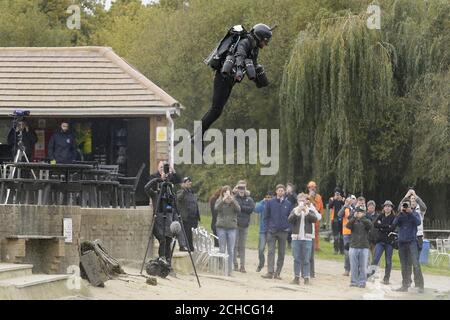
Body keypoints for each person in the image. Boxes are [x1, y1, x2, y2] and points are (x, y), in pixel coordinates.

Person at [199, 24, 274, 138]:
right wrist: (239, 69)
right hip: (222, 77)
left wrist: (259, 79)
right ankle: (197, 135)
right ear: (259, 37)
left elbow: (252, 64)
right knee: (215, 110)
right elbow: (240, 55)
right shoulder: (245, 42)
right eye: (265, 41)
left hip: (229, 81)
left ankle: (197, 135)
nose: (266, 44)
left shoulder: (254, 48)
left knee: (217, 111)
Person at [147, 161, 183, 261]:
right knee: (162, 239)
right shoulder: (154, 177)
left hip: (168, 211)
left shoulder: (170, 177)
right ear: (158, 168)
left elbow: (179, 180)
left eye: (165, 167)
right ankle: (162, 259)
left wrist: (172, 171)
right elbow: (148, 188)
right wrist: (159, 179)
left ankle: (168, 262)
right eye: (161, 167)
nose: (163, 169)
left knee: (169, 239)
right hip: (159, 211)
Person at [288, 193, 321, 285]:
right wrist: (298, 211)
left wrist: (306, 211)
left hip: (307, 238)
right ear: (297, 201)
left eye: (304, 200)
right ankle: (296, 278)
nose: (302, 202)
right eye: (300, 200)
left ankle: (306, 278)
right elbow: (290, 220)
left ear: (306, 201)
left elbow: (315, 219)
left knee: (306, 259)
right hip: (296, 238)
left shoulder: (310, 210)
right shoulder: (295, 210)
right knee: (296, 258)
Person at [262, 184, 293, 280]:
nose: (280, 192)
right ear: (276, 192)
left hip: (283, 232)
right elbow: (266, 217)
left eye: (282, 190)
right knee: (271, 252)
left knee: (281, 253)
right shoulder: (270, 202)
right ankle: (270, 272)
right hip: (272, 231)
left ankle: (278, 273)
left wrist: (288, 228)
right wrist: (268, 228)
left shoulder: (288, 204)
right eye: (279, 190)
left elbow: (291, 217)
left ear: (284, 192)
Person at [393, 199, 424, 293]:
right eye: (404, 205)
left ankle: (420, 286)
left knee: (415, 264)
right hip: (402, 243)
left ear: (411, 206)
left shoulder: (415, 214)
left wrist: (410, 212)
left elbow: (418, 222)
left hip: (412, 242)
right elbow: (394, 224)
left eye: (407, 205)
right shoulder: (400, 215)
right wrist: (400, 212)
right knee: (404, 265)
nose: (405, 207)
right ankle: (404, 285)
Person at [215, 186, 240, 276]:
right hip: (221, 227)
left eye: (229, 192)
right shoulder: (219, 200)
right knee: (222, 249)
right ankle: (222, 268)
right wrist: (223, 200)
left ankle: (230, 271)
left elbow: (238, 209)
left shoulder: (234, 201)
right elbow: (216, 208)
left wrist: (232, 200)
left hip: (232, 228)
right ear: (223, 193)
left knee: (231, 250)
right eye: (225, 192)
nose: (227, 194)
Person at [368, 200, 396, 285]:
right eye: (385, 206)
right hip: (380, 241)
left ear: (391, 208)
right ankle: (369, 275)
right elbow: (375, 224)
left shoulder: (394, 217)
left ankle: (386, 278)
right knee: (375, 259)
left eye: (389, 206)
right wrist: (386, 226)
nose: (387, 207)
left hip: (389, 242)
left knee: (388, 261)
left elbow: (392, 228)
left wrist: (382, 226)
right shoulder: (381, 215)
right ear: (383, 208)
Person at [232, 180, 255, 273]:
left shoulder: (249, 199)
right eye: (240, 188)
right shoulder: (234, 198)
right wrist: (242, 208)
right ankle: (235, 264)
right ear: (237, 189)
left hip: (245, 225)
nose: (241, 190)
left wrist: (241, 207)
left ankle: (242, 266)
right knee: (234, 246)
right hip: (235, 225)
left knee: (242, 246)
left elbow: (251, 209)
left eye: (243, 188)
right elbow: (235, 209)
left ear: (245, 189)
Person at [346, 206, 372, 288]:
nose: (358, 213)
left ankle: (362, 282)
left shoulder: (366, 220)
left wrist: (362, 218)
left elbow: (370, 225)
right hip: (353, 246)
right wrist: (354, 217)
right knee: (353, 266)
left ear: (364, 213)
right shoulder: (353, 220)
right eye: (357, 212)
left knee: (363, 266)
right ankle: (354, 282)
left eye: (360, 212)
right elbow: (348, 226)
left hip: (364, 246)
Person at [176, 176, 200, 252]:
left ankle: (192, 248)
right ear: (182, 184)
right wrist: (184, 189)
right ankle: (185, 248)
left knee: (193, 236)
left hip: (194, 218)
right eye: (186, 182)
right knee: (187, 235)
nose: (189, 183)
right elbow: (179, 198)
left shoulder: (191, 192)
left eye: (189, 181)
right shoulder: (180, 192)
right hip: (186, 218)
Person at [306, 181, 324, 278]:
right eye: (311, 187)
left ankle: (316, 247)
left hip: (316, 218)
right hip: (308, 220)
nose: (312, 189)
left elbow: (320, 208)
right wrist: (310, 197)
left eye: (314, 187)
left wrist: (320, 214)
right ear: (308, 188)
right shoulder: (306, 196)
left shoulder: (319, 197)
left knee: (316, 235)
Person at [255, 191, 273, 272]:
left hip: (271, 230)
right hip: (263, 230)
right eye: (267, 197)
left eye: (270, 197)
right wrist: (262, 201)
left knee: (271, 250)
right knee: (261, 249)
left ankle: (270, 268)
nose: (268, 199)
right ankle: (261, 263)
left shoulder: (274, 205)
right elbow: (255, 209)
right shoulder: (263, 205)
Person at [338, 196, 354, 276]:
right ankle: (347, 269)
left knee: (354, 252)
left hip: (354, 233)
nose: (348, 202)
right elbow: (339, 215)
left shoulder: (355, 208)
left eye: (349, 201)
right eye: (347, 201)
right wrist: (344, 206)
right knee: (347, 252)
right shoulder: (344, 209)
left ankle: (355, 270)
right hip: (346, 233)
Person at [329, 188, 345, 255]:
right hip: (334, 219)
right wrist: (334, 199)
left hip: (342, 219)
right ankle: (336, 250)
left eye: (338, 193)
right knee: (335, 236)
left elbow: (345, 205)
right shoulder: (332, 199)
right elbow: (330, 206)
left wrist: (341, 200)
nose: (337, 194)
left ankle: (342, 250)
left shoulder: (343, 199)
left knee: (342, 236)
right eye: (336, 193)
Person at [285, 183, 297, 249]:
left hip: (291, 214)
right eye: (287, 187)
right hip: (285, 214)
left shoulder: (293, 195)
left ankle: (290, 243)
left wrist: (292, 193)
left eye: (289, 187)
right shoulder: (285, 195)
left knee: (291, 229)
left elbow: (297, 199)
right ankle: (287, 243)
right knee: (285, 229)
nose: (288, 189)